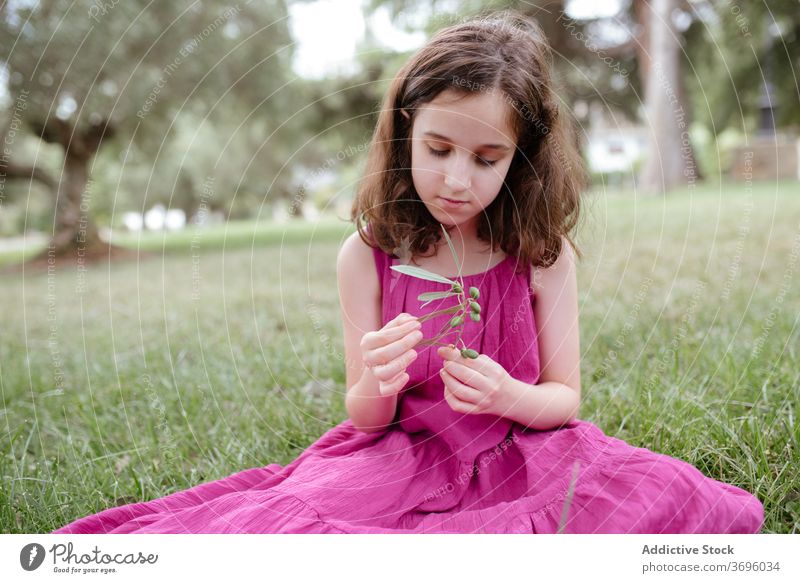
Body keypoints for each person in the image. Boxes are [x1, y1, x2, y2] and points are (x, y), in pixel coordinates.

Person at [53, 10, 763, 534]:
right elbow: (363, 413)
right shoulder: (366, 256)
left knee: (660, 500)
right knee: (286, 533)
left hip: (525, 454)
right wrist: (379, 378)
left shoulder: (543, 258)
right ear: (404, 134)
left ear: (522, 160)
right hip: (399, 457)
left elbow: (564, 399)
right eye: (439, 147)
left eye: (486, 159)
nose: (458, 179)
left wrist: (511, 393)